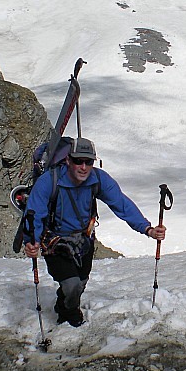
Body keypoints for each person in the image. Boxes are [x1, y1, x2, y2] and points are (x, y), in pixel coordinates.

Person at [23, 137, 165, 327]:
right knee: (72, 284)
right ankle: (70, 319)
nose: (83, 167)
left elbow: (121, 204)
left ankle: (62, 304)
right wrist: (31, 241)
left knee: (80, 283)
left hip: (84, 240)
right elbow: (35, 213)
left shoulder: (98, 179)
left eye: (88, 162)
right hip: (54, 241)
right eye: (78, 161)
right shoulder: (49, 181)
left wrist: (147, 229)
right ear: (68, 160)